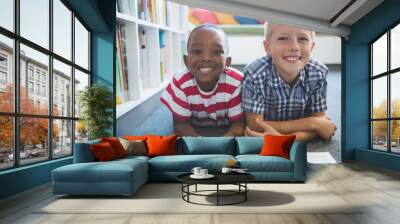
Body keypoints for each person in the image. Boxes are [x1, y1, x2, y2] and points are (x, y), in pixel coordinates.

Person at [243, 23, 336, 141]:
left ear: (312, 47)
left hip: (276, 131)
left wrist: (282, 139)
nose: (294, 47)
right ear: (268, 47)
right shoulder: (255, 73)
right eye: (283, 38)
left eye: (302, 39)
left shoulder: (318, 72)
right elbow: (255, 126)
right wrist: (311, 123)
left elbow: (322, 126)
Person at [161, 24, 244, 137]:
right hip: (193, 128)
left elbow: (239, 124)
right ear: (186, 61)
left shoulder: (237, 81)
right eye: (197, 51)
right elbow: (181, 124)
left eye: (216, 51)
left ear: (227, 62)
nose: (206, 58)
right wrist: (201, 143)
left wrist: (222, 144)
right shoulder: (180, 82)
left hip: (225, 128)